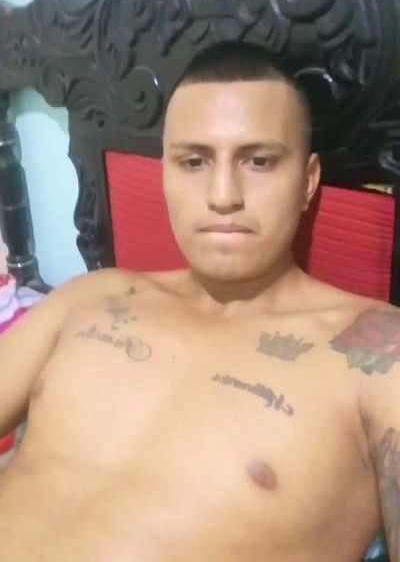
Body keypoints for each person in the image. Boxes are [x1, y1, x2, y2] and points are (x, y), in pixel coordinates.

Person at [0, 42, 397, 562]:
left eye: (259, 160)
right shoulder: (91, 296)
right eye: (193, 161)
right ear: (163, 173)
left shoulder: (378, 356)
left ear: (307, 182)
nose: (223, 195)